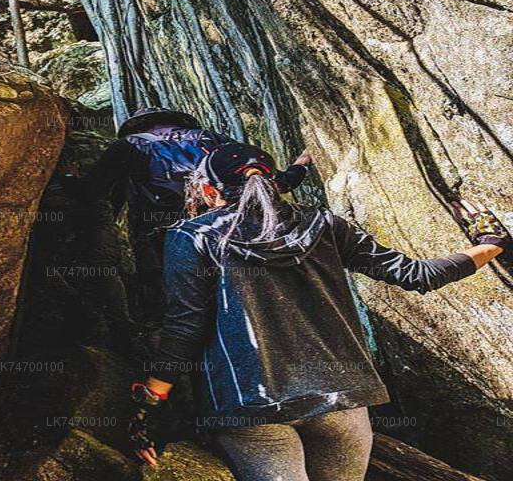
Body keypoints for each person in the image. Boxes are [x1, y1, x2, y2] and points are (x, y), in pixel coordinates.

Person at [127, 142, 510, 481]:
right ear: (273, 184)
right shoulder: (324, 224)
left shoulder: (192, 236)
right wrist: (491, 242)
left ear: (209, 192)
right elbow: (416, 275)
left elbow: (185, 327)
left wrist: (151, 403)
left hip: (253, 406)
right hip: (341, 400)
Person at [82, 107, 312, 325]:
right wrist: (301, 163)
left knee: (166, 295)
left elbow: (93, 190)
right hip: (221, 227)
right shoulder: (211, 138)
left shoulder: (128, 145)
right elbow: (273, 181)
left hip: (160, 233)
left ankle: (164, 338)